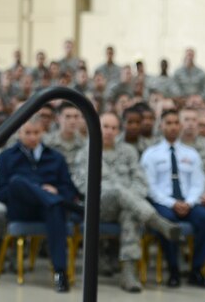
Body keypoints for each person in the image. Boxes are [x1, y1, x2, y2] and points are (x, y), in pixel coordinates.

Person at [72, 112, 181, 292]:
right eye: (105, 127)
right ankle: (157, 222)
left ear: (118, 130)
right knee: (118, 191)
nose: (109, 131)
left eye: (113, 128)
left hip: (129, 206)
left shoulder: (128, 151)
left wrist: (130, 197)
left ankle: (129, 274)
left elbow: (140, 181)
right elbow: (83, 185)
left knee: (130, 213)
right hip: (98, 206)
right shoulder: (86, 152)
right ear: (96, 127)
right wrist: (123, 193)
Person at [0, 117, 79, 293]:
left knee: (54, 207)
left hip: (48, 210)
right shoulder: (7, 157)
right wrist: (36, 190)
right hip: (21, 208)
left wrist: (55, 191)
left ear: (43, 132)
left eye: (36, 133)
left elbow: (69, 188)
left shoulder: (56, 157)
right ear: (19, 133)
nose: (32, 137)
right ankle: (53, 200)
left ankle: (60, 273)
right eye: (28, 133)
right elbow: (0, 191)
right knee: (17, 181)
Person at [141, 110, 205, 288]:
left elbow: (199, 182)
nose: (173, 126)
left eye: (176, 123)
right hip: (163, 202)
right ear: (161, 126)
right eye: (169, 123)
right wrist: (173, 203)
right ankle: (173, 269)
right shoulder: (151, 154)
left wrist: (188, 203)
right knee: (167, 220)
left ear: (180, 126)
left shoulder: (191, 154)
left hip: (189, 201)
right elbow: (150, 186)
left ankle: (196, 270)